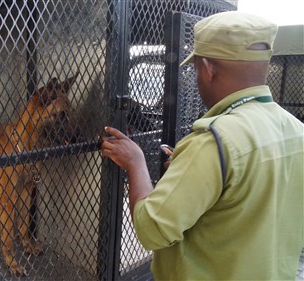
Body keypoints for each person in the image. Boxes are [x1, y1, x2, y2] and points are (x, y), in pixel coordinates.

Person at [101, 11, 304, 280]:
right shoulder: (296, 130)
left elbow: (151, 230)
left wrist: (135, 162)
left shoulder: (214, 142)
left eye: (196, 69)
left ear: (207, 69)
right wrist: (192, 168)